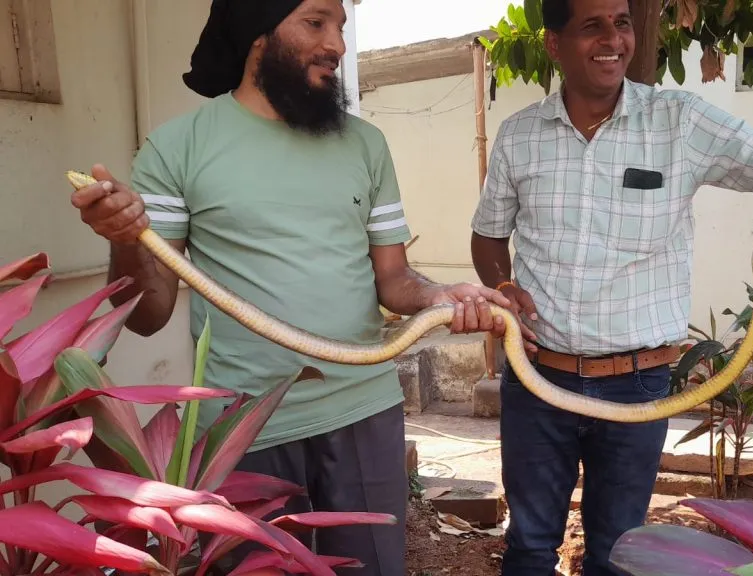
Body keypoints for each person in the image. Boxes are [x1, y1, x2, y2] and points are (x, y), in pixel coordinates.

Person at [68, 1, 512, 574]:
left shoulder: (365, 145)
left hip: (363, 410)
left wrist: (438, 298)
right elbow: (148, 313)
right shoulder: (177, 149)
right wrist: (125, 237)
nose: (337, 45)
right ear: (260, 35)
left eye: (341, 28)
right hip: (244, 426)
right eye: (316, 23)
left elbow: (395, 279)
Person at [469, 0, 753, 573]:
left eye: (622, 22)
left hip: (638, 383)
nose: (613, 39)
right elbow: (487, 235)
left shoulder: (679, 120)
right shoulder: (519, 135)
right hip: (537, 377)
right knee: (528, 545)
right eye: (592, 26)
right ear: (554, 44)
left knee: (618, 549)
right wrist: (501, 284)